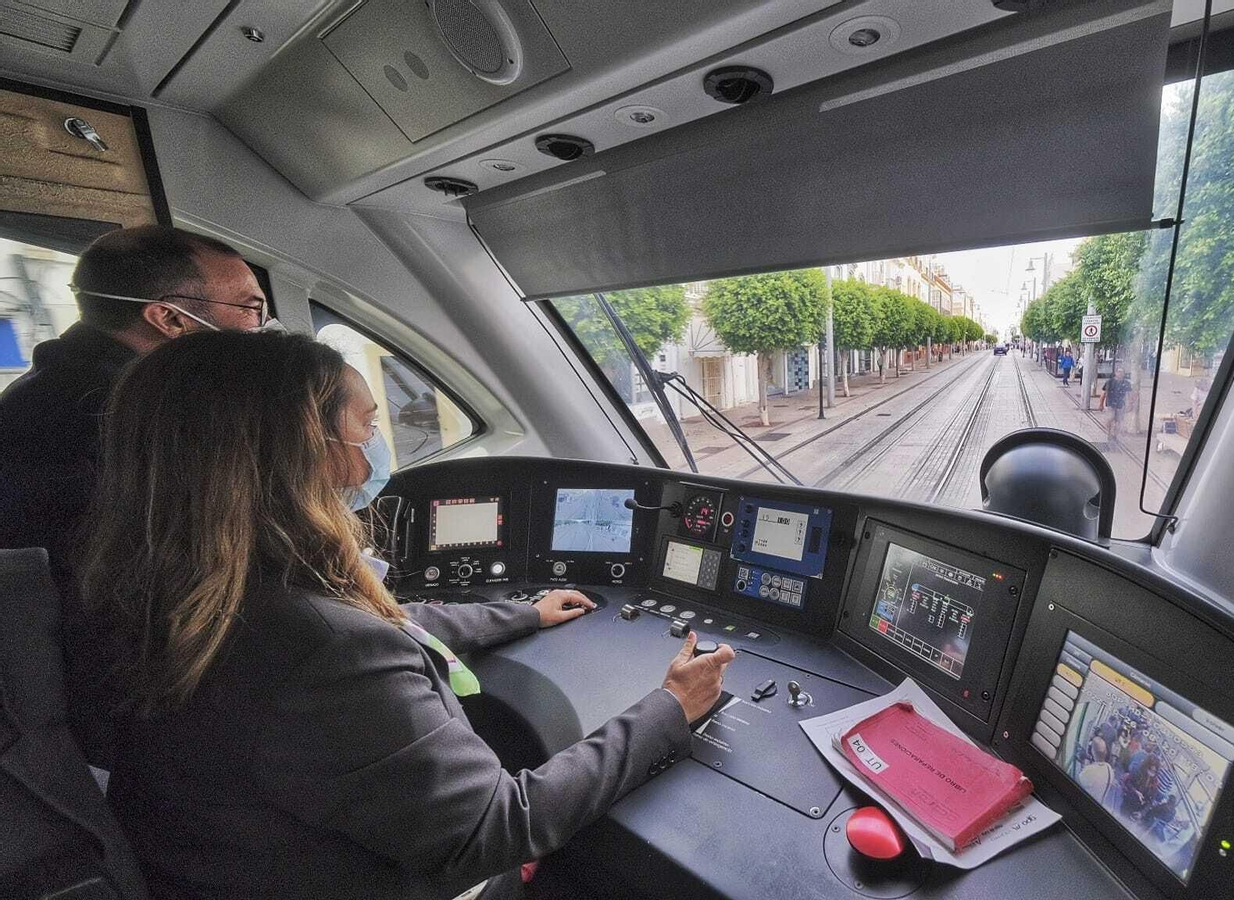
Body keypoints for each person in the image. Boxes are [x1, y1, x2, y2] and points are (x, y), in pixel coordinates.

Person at [77, 331, 734, 899]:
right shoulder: (320, 649)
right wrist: (669, 707)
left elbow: (378, 627)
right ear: (304, 451)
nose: (375, 452)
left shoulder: (168, 588)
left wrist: (523, 614)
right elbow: (494, 828)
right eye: (365, 428)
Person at [0, 225, 271, 580]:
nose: (263, 325)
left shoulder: (59, 381)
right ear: (170, 319)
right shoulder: (121, 416)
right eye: (250, 308)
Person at [1075, 735, 1115, 804]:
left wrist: (1082, 763)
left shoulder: (1088, 771)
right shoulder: (1109, 769)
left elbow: (1076, 782)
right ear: (1106, 752)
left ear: (1092, 751)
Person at [1099, 365, 1132, 441]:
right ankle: (1109, 433)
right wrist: (1101, 404)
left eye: (1122, 372)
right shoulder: (1110, 382)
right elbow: (1103, 394)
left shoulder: (1126, 383)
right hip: (1110, 404)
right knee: (1110, 418)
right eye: (1119, 372)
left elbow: (1129, 394)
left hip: (1120, 405)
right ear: (1115, 373)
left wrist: (1130, 404)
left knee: (1119, 420)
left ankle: (1115, 435)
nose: (1120, 374)